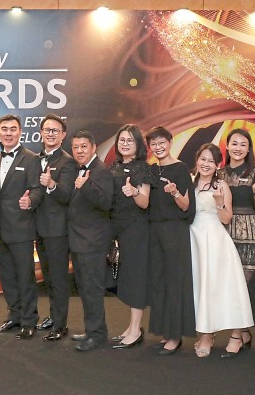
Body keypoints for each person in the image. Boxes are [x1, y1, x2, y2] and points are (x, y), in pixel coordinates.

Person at [190, 144, 254, 358]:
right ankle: (205, 330)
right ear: (197, 160)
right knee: (200, 288)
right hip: (193, 240)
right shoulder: (190, 182)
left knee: (219, 288)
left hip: (214, 240)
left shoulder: (221, 186)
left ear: (217, 165)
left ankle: (216, 335)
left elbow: (227, 218)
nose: (206, 164)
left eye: (211, 161)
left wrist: (218, 203)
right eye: (203, 159)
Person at [0, 114, 43, 340]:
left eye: (12, 129)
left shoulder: (31, 159)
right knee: (7, 277)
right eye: (4, 129)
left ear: (20, 132)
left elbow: (38, 189)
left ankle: (30, 320)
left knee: (25, 276)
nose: (8, 133)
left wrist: (31, 201)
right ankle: (14, 316)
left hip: (21, 228)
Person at [144, 126, 195, 355]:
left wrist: (174, 192)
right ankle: (165, 333)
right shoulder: (151, 171)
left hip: (175, 231)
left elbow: (186, 206)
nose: (158, 147)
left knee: (175, 283)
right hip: (154, 231)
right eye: (153, 144)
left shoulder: (181, 168)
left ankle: (175, 337)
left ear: (170, 142)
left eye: (161, 142)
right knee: (158, 282)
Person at [220, 129, 255, 347]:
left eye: (243, 144)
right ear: (227, 145)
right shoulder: (219, 173)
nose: (238, 148)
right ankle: (244, 333)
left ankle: (237, 335)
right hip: (225, 232)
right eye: (234, 143)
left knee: (246, 285)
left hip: (251, 232)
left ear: (249, 148)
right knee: (230, 285)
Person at [65, 131, 114, 352]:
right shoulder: (81, 170)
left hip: (92, 242)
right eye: (75, 147)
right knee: (85, 289)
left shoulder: (101, 171)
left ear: (93, 147)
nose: (79, 151)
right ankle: (92, 329)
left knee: (92, 289)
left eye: (84, 146)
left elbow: (105, 203)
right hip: (79, 240)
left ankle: (97, 335)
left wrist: (85, 186)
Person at [108, 124, 151, 349]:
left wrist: (134, 192)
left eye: (130, 140)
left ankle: (136, 329)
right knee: (125, 278)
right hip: (119, 230)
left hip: (137, 230)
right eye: (121, 139)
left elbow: (145, 202)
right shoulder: (114, 166)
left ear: (138, 145)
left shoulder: (142, 168)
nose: (124, 143)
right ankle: (131, 326)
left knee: (135, 279)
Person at [34, 114, 75, 340]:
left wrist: (51, 184)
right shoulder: (36, 158)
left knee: (59, 278)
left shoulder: (67, 161)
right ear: (41, 132)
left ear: (63, 135)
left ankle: (61, 324)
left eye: (55, 130)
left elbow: (66, 195)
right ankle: (53, 316)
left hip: (58, 231)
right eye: (47, 129)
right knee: (48, 277)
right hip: (39, 229)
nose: (50, 133)